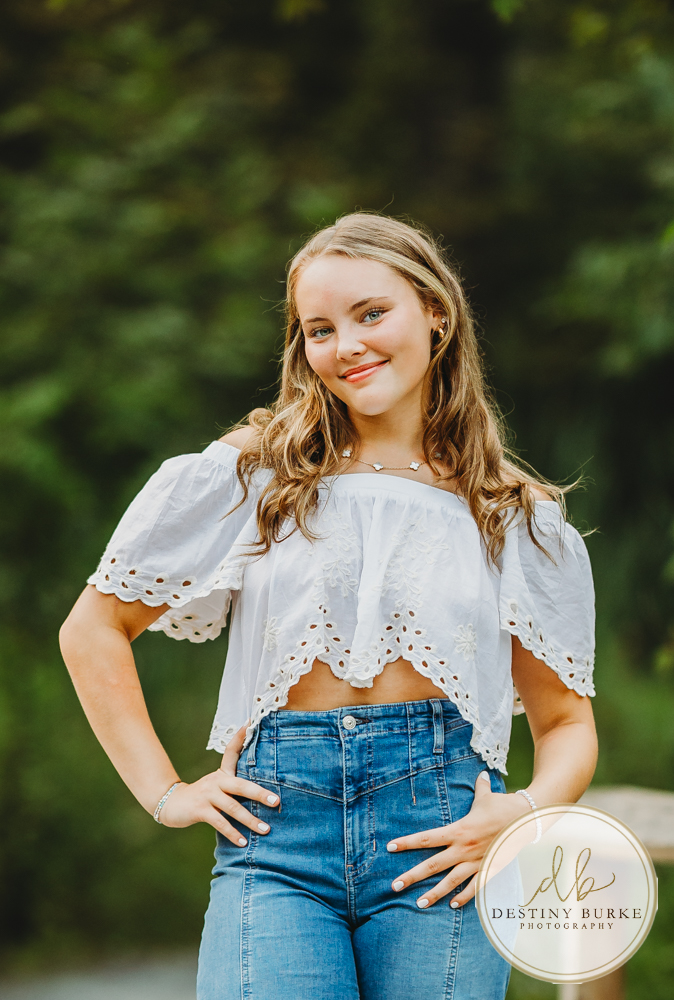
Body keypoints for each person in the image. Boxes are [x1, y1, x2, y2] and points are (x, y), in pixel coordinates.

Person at [59, 213, 598, 1000]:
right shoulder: (254, 474)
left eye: (371, 314)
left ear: (435, 313)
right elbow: (93, 629)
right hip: (275, 836)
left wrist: (516, 812)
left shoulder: (512, 514)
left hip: (444, 837)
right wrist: (168, 793)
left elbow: (568, 727)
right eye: (320, 328)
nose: (346, 345)